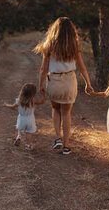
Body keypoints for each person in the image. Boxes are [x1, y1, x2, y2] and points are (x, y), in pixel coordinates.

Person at [35, 17, 94, 155]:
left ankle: (57, 138)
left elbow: (43, 69)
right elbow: (82, 68)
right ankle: (66, 146)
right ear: (71, 32)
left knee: (55, 110)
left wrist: (41, 85)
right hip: (69, 81)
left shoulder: (48, 46)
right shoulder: (74, 47)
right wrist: (88, 84)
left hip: (54, 81)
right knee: (66, 113)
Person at [3, 83, 45, 150]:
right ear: (33, 93)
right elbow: (42, 101)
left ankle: (19, 136)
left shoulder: (19, 101)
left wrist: (6, 105)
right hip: (30, 120)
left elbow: (12, 107)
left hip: (22, 118)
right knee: (28, 132)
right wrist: (43, 94)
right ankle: (27, 145)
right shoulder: (33, 101)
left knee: (20, 128)